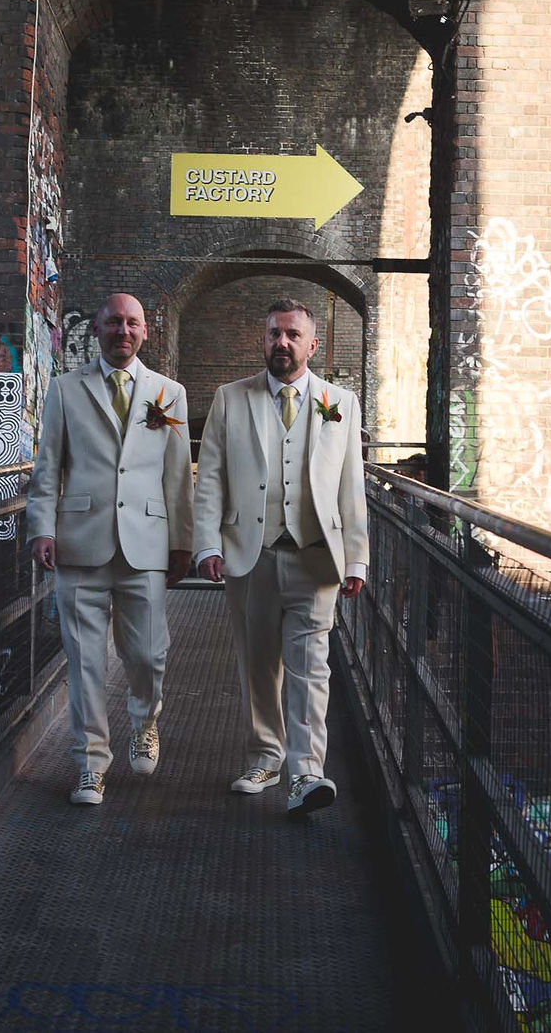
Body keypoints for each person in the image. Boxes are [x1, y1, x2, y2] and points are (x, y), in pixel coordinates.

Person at [193, 298, 367, 815]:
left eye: (293, 335)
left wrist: (356, 558)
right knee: (258, 663)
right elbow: (211, 478)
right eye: (274, 333)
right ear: (264, 340)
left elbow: (351, 486)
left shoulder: (341, 402)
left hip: (316, 556)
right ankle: (265, 757)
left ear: (313, 345)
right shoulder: (231, 398)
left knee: (312, 668)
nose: (282, 342)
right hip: (251, 554)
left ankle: (306, 773)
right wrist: (207, 543)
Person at [28, 293, 194, 806]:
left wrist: (182, 542)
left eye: (131, 323)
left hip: (146, 544)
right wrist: (41, 528)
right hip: (79, 543)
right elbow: (48, 466)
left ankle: (145, 721)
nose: (123, 331)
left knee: (147, 654)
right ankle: (90, 765)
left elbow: (177, 477)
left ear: (145, 331)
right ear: (97, 329)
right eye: (113, 322)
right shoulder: (65, 389)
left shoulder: (168, 393)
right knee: (85, 663)